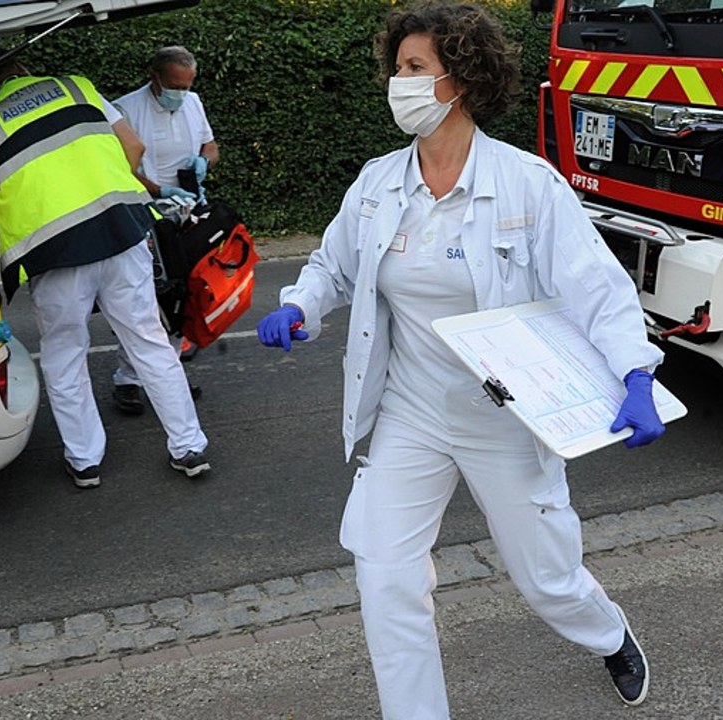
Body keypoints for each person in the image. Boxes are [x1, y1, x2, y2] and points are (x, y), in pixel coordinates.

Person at [255, 5, 662, 717]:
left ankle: (607, 633)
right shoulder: (379, 183)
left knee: (547, 578)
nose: (398, 82)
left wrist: (635, 373)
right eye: (397, 68)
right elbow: (335, 266)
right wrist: (301, 305)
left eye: (415, 70)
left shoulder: (527, 184)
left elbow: (595, 286)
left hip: (503, 414)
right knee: (385, 575)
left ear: (462, 81)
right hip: (410, 413)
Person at [0, 47, 211, 487]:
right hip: (122, 230)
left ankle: (85, 460)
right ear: (22, 70)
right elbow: (133, 146)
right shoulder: (78, 88)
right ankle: (189, 447)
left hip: (55, 254)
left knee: (64, 354)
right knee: (149, 340)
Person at [109, 45, 220, 416]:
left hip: (188, 211)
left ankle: (166, 373)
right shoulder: (125, 109)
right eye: (175, 85)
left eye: (187, 86)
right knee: (144, 300)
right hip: (146, 215)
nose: (181, 94)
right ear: (155, 78)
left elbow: (210, 144)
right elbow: (121, 170)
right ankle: (128, 378)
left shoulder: (193, 102)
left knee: (181, 296)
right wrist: (160, 191)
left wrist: (203, 162)